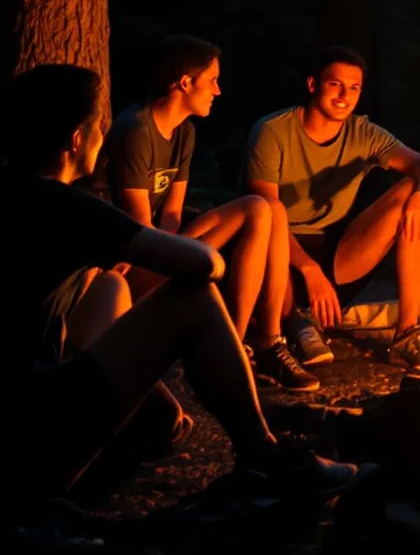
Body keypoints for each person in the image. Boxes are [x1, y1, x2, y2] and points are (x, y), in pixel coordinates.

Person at [0, 62, 357, 515]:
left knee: (106, 290)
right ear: (77, 138)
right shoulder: (58, 204)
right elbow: (201, 263)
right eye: (99, 125)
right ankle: (267, 458)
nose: (105, 135)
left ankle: (121, 447)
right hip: (2, 457)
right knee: (192, 297)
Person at [98, 37, 313, 390]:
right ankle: (230, 353)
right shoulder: (136, 128)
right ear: (185, 82)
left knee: (268, 207)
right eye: (212, 79)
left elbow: (171, 212)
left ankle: (260, 342)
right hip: (129, 262)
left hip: (159, 246)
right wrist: (185, 252)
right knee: (256, 208)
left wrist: (184, 246)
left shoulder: (184, 131)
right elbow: (140, 227)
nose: (218, 90)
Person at [246, 44, 420, 375]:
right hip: (277, 254)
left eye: (353, 87)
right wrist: (310, 271)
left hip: (337, 254)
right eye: (335, 84)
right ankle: (292, 324)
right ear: (313, 85)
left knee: (414, 190)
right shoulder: (272, 131)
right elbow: (264, 209)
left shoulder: (363, 132)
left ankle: (407, 334)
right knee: (268, 214)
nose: (344, 96)